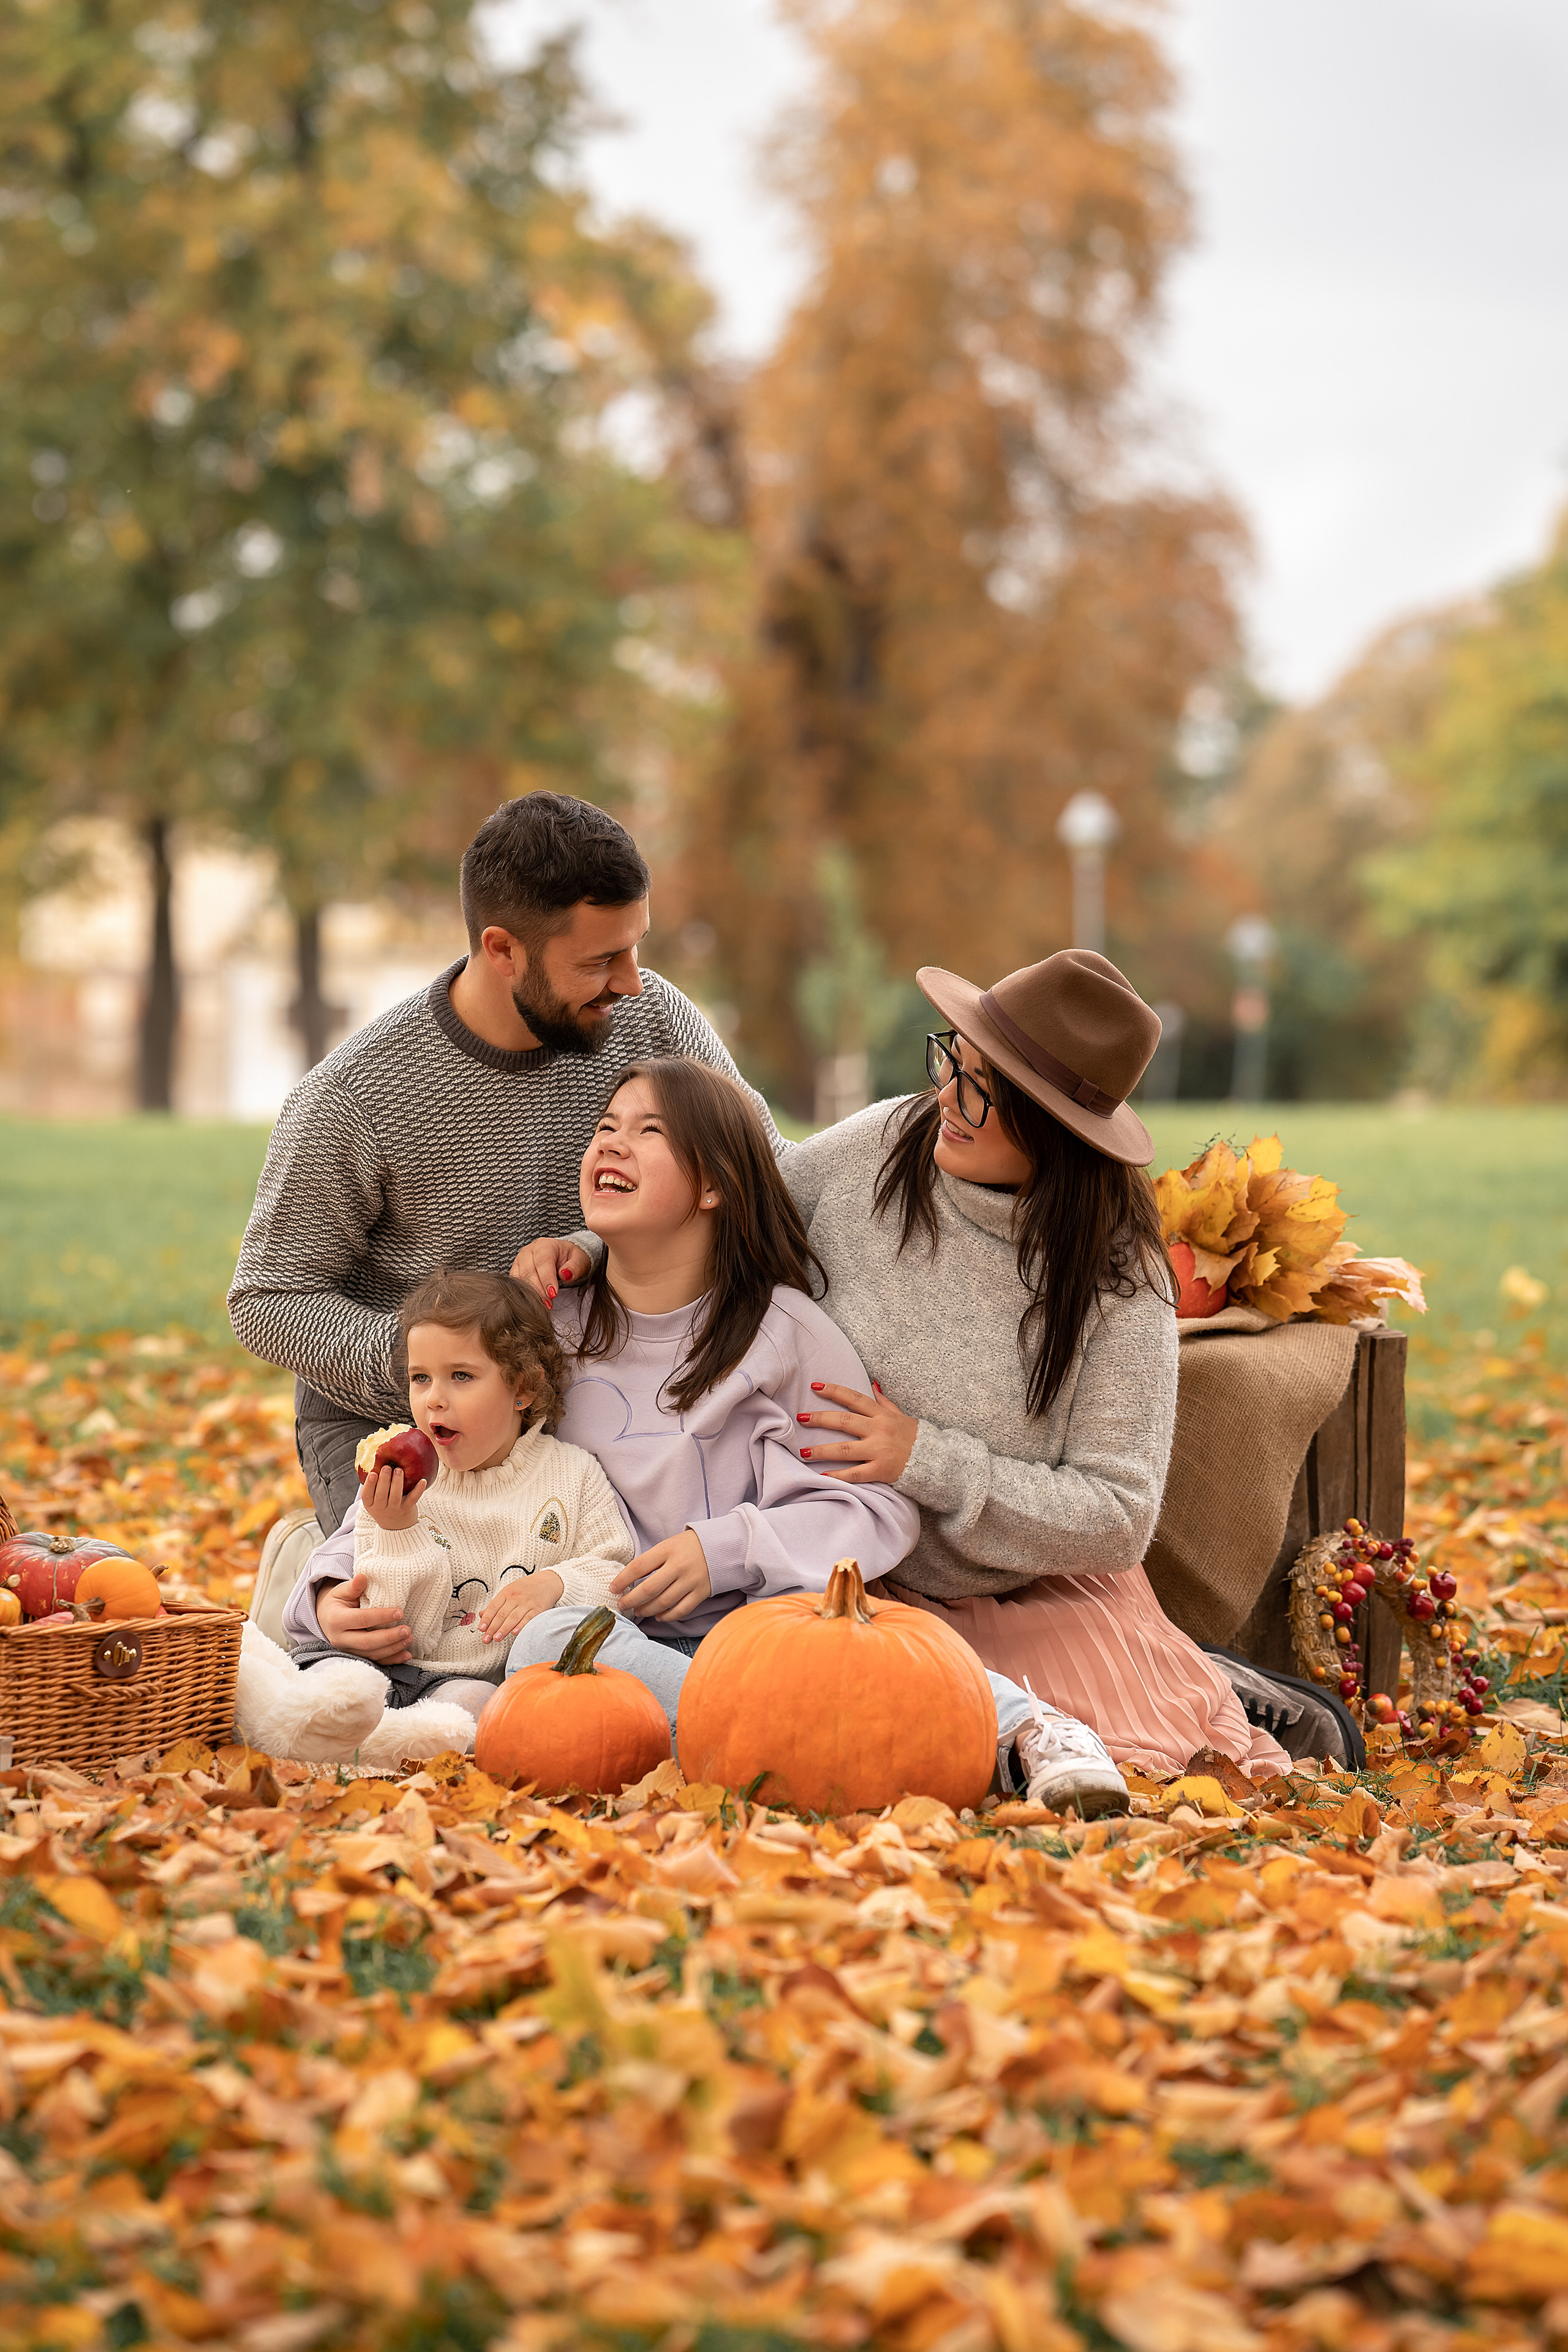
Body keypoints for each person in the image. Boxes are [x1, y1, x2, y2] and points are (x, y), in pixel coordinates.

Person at [285, 1058, 1133, 1811]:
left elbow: (871, 1510)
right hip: (590, 1634)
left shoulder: (782, 1335)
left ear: (714, 1186)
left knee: (865, 1651)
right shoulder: (544, 1326)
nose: (612, 1144)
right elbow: (444, 1463)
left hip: (753, 1627)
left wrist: (721, 1550)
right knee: (545, 1644)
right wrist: (325, 1593)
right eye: (605, 1128)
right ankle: (759, 1744)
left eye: (648, 1133)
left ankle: (1033, 1729)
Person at [778, 950, 1290, 1780]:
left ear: (1058, 1126)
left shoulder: (1118, 1282)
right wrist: (587, 1253)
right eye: (955, 1062)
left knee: (1058, 1758)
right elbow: (728, 1214)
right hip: (830, 1565)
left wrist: (926, 1459)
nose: (947, 1097)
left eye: (983, 1088)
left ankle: (1221, 1689)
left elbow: (1119, 1514)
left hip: (1017, 1596)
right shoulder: (885, 1143)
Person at [228, 791, 782, 1550]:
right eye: (600, 960)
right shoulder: (354, 1097)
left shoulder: (656, 1021)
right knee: (447, 1629)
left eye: (635, 946)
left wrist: (590, 1250)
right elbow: (267, 1298)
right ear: (502, 950)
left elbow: (764, 1170)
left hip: (601, 1392)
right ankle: (313, 1574)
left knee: (621, 1604)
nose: (631, 981)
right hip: (406, 1423)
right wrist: (447, 1369)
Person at [285, 1270, 636, 1741]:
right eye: (420, 1378)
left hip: (463, 1682)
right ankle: (349, 1729)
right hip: (375, 1666)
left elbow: (618, 1580)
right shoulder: (401, 1484)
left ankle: (382, 1743)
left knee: (478, 1710)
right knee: (335, 1683)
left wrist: (557, 1584)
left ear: (523, 1389)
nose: (434, 1400)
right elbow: (402, 1630)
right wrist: (396, 1531)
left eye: (461, 1376)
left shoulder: (573, 1476)